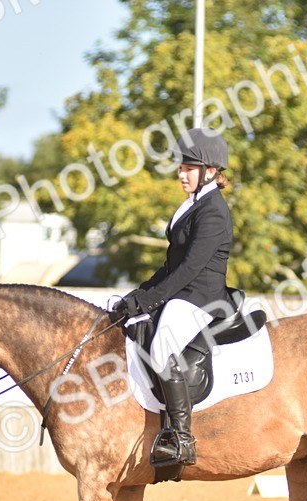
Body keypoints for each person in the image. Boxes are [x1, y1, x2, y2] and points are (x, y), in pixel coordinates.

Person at [109, 128, 233, 467]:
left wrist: (151, 301)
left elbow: (191, 268)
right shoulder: (191, 205)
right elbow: (171, 265)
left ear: (211, 171)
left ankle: (181, 437)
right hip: (182, 292)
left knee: (164, 344)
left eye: (189, 168)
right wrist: (139, 295)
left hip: (200, 298)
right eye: (181, 166)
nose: (181, 173)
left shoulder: (213, 211)